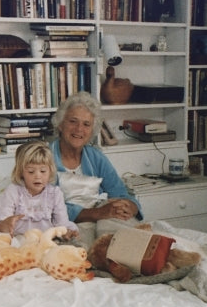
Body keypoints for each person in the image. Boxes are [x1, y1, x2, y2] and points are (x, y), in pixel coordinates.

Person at [49, 92, 141, 225]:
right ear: (60, 124)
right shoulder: (42, 157)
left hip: (101, 221)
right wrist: (97, 213)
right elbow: (44, 207)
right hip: (65, 226)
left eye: (86, 124)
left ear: (92, 131)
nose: (79, 129)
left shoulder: (96, 157)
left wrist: (130, 207)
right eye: (73, 121)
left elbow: (120, 193)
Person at [0, 140, 79, 238]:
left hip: (46, 239)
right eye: (31, 171)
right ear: (21, 172)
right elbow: (1, 223)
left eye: (43, 171)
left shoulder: (55, 194)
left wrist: (66, 232)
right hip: (19, 238)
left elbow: (62, 223)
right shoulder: (13, 191)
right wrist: (5, 224)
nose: (38, 176)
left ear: (50, 171)